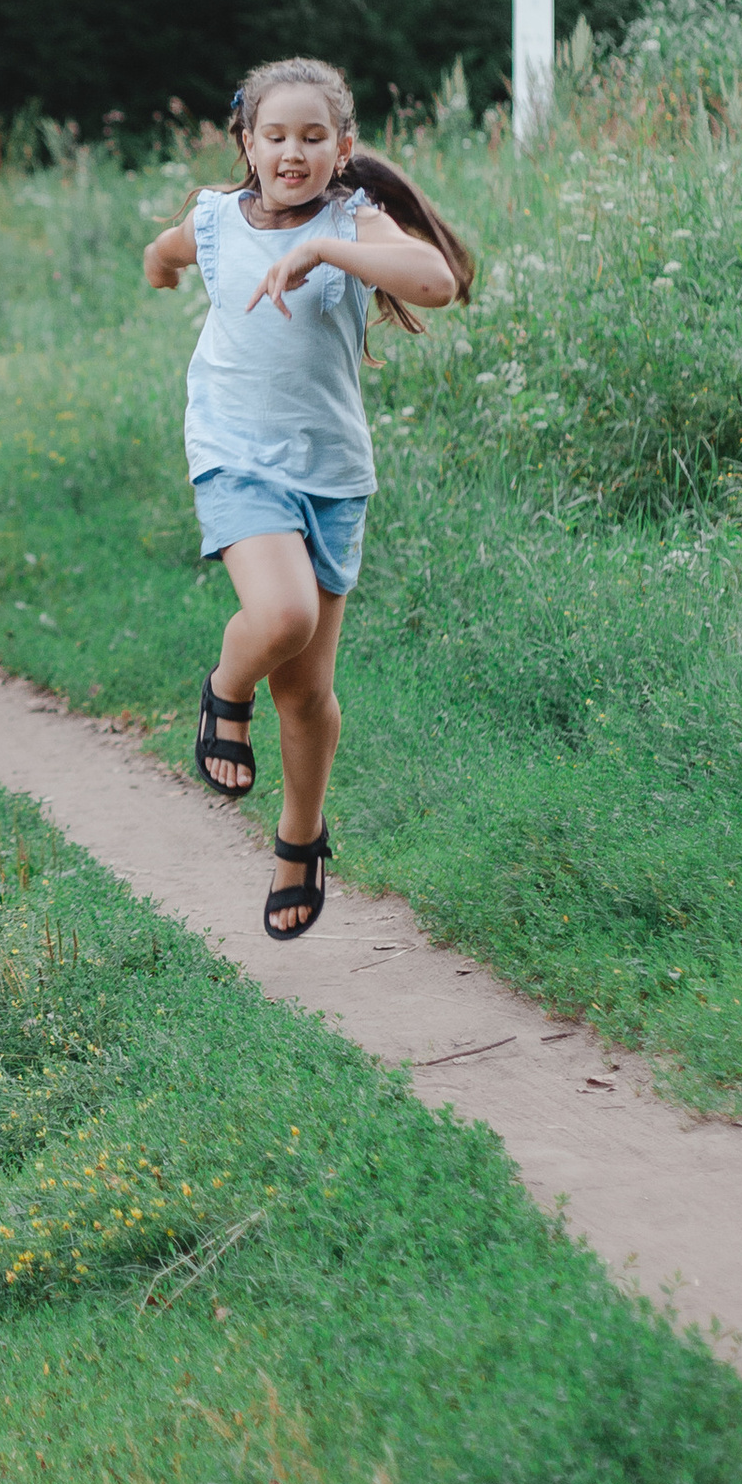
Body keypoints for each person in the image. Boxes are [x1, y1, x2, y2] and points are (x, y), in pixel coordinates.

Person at [141, 57, 474, 943]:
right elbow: (163, 254)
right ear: (246, 145)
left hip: (331, 474)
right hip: (234, 455)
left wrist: (326, 248)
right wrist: (162, 273)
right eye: (276, 136)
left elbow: (437, 281)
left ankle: (300, 839)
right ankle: (223, 688)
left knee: (310, 694)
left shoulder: (353, 221)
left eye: (313, 137)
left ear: (343, 147)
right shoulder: (214, 221)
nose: (294, 152)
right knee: (280, 617)